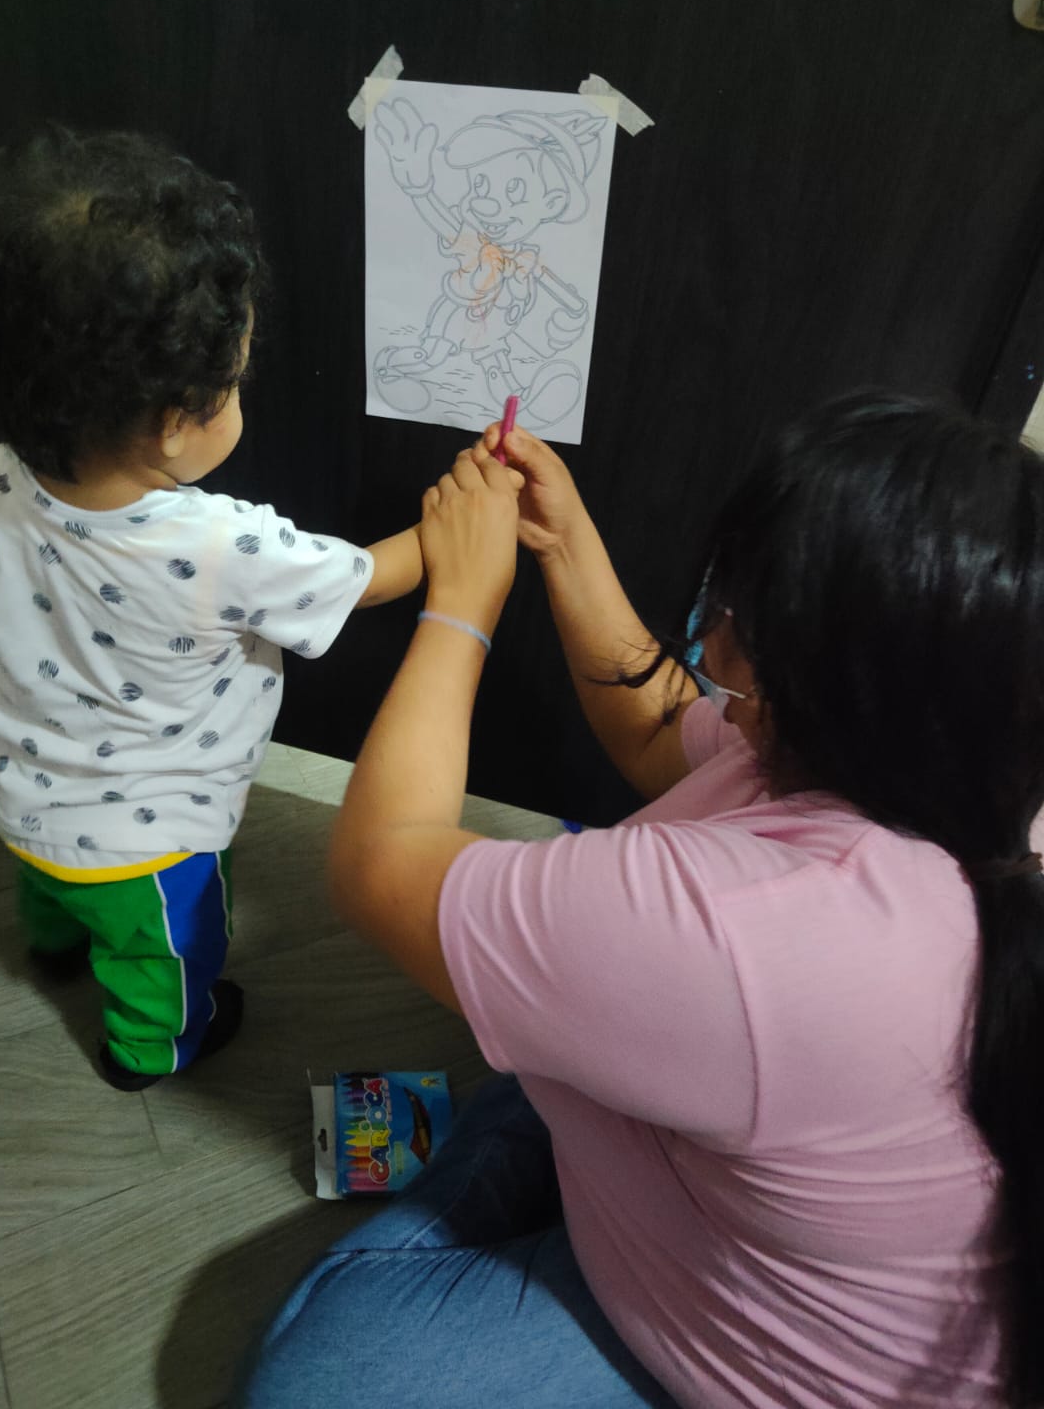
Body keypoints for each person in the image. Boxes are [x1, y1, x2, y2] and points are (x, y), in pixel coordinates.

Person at [236, 393, 1044, 1409]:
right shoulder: (945, 759)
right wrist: (564, 541)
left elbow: (377, 864)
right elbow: (663, 726)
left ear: (835, 682)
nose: (712, 639)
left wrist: (461, 606)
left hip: (757, 1344)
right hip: (728, 1167)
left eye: (743, 612)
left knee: (312, 1381)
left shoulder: (757, 935)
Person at [0, 126, 423, 1090]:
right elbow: (361, 578)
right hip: (153, 844)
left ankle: (55, 946)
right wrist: (455, 532)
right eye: (233, 379)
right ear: (171, 424)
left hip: (24, 797)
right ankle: (149, 1048)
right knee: (167, 952)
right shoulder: (216, 545)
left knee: (57, 895)